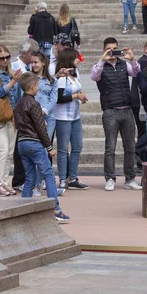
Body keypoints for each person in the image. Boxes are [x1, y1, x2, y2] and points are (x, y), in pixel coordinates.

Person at [13, 72, 70, 222]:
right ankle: (55, 208)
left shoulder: (19, 103)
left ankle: (23, 210)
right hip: (34, 142)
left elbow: (19, 123)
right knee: (48, 174)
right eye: (37, 85)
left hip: (21, 142)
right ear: (32, 87)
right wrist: (49, 147)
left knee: (30, 177)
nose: (38, 88)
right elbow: (40, 128)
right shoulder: (34, 104)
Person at [90, 37, 143, 191]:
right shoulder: (100, 66)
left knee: (130, 147)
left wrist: (132, 59)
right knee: (110, 147)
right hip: (111, 111)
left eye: (115, 48)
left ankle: (130, 178)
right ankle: (109, 178)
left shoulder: (124, 64)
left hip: (127, 110)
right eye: (109, 49)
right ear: (104, 50)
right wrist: (102, 59)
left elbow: (136, 72)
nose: (112, 52)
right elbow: (94, 76)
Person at [0, 45, 22, 196]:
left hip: (12, 115)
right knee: (1, 150)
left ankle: (5, 181)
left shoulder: (11, 73)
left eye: (7, 57)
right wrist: (13, 82)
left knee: (9, 151)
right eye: (2, 58)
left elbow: (18, 96)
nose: (5, 60)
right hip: (0, 117)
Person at [54, 47, 89, 189]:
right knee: (63, 149)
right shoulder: (62, 77)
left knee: (77, 146)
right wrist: (76, 96)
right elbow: (59, 98)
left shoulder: (74, 75)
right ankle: (63, 178)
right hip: (63, 117)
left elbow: (78, 90)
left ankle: (73, 177)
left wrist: (82, 95)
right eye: (76, 58)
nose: (79, 60)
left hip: (75, 116)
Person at [31, 51, 59, 196]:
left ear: (43, 63)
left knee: (44, 150)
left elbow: (54, 99)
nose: (34, 65)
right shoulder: (29, 78)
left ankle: (46, 184)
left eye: (36, 62)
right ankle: (36, 185)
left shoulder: (52, 80)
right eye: (32, 62)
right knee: (38, 151)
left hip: (48, 118)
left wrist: (45, 110)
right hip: (32, 118)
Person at [130, 40, 147, 140]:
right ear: (146, 49)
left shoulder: (144, 60)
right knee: (145, 133)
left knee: (144, 132)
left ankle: (140, 153)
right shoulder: (144, 61)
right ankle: (139, 152)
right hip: (140, 102)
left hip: (138, 101)